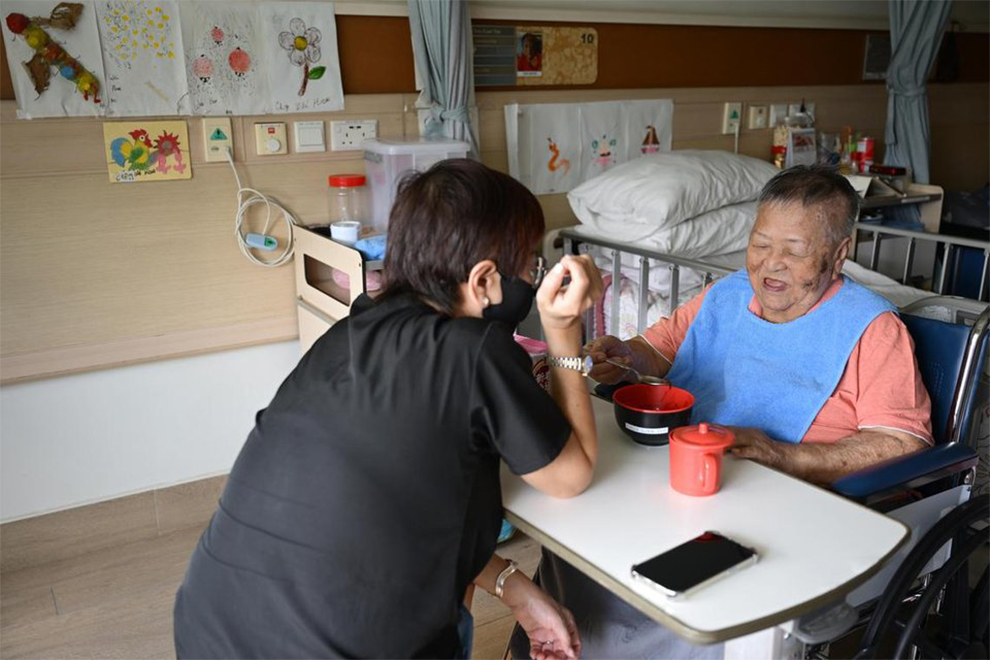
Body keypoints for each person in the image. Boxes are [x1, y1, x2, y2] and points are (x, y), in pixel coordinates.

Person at [174, 159, 605, 659]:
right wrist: (564, 331)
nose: (536, 276)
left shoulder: (347, 333)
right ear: (486, 280)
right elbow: (570, 476)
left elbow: (380, 514)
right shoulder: (475, 349)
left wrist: (513, 585)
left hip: (212, 625)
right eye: (531, 264)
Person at [509, 164, 932, 659]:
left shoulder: (874, 329)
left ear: (840, 253)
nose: (770, 265)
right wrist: (625, 355)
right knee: (574, 543)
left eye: (794, 251)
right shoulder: (727, 294)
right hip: (687, 480)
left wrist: (785, 456)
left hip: (785, 503)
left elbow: (904, 441)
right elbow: (659, 346)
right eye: (760, 244)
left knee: (666, 590)